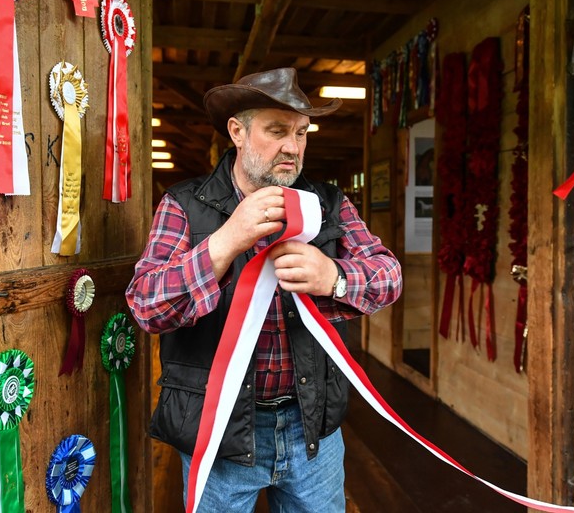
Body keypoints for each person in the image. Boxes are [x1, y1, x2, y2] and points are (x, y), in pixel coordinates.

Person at [125, 67, 402, 512]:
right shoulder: (183, 204)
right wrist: (224, 243)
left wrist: (334, 275)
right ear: (237, 131)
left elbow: (389, 277)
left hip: (311, 430)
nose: (292, 147)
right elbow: (145, 305)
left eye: (301, 132)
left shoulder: (329, 204)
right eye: (276, 131)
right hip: (218, 433)